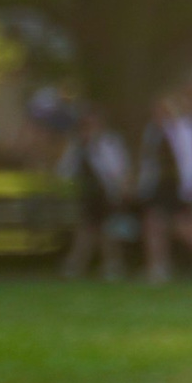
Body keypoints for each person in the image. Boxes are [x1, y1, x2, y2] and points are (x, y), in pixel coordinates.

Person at [137, 88, 192, 280]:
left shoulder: (186, 129)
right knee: (153, 224)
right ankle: (158, 267)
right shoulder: (152, 132)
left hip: (179, 185)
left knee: (186, 227)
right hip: (159, 186)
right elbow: (148, 162)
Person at [60, 112, 133, 277]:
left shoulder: (110, 143)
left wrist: (123, 188)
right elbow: (66, 170)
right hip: (87, 192)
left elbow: (118, 167)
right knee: (86, 230)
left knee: (108, 230)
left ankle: (112, 265)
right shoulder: (76, 146)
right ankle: (76, 265)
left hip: (106, 192)